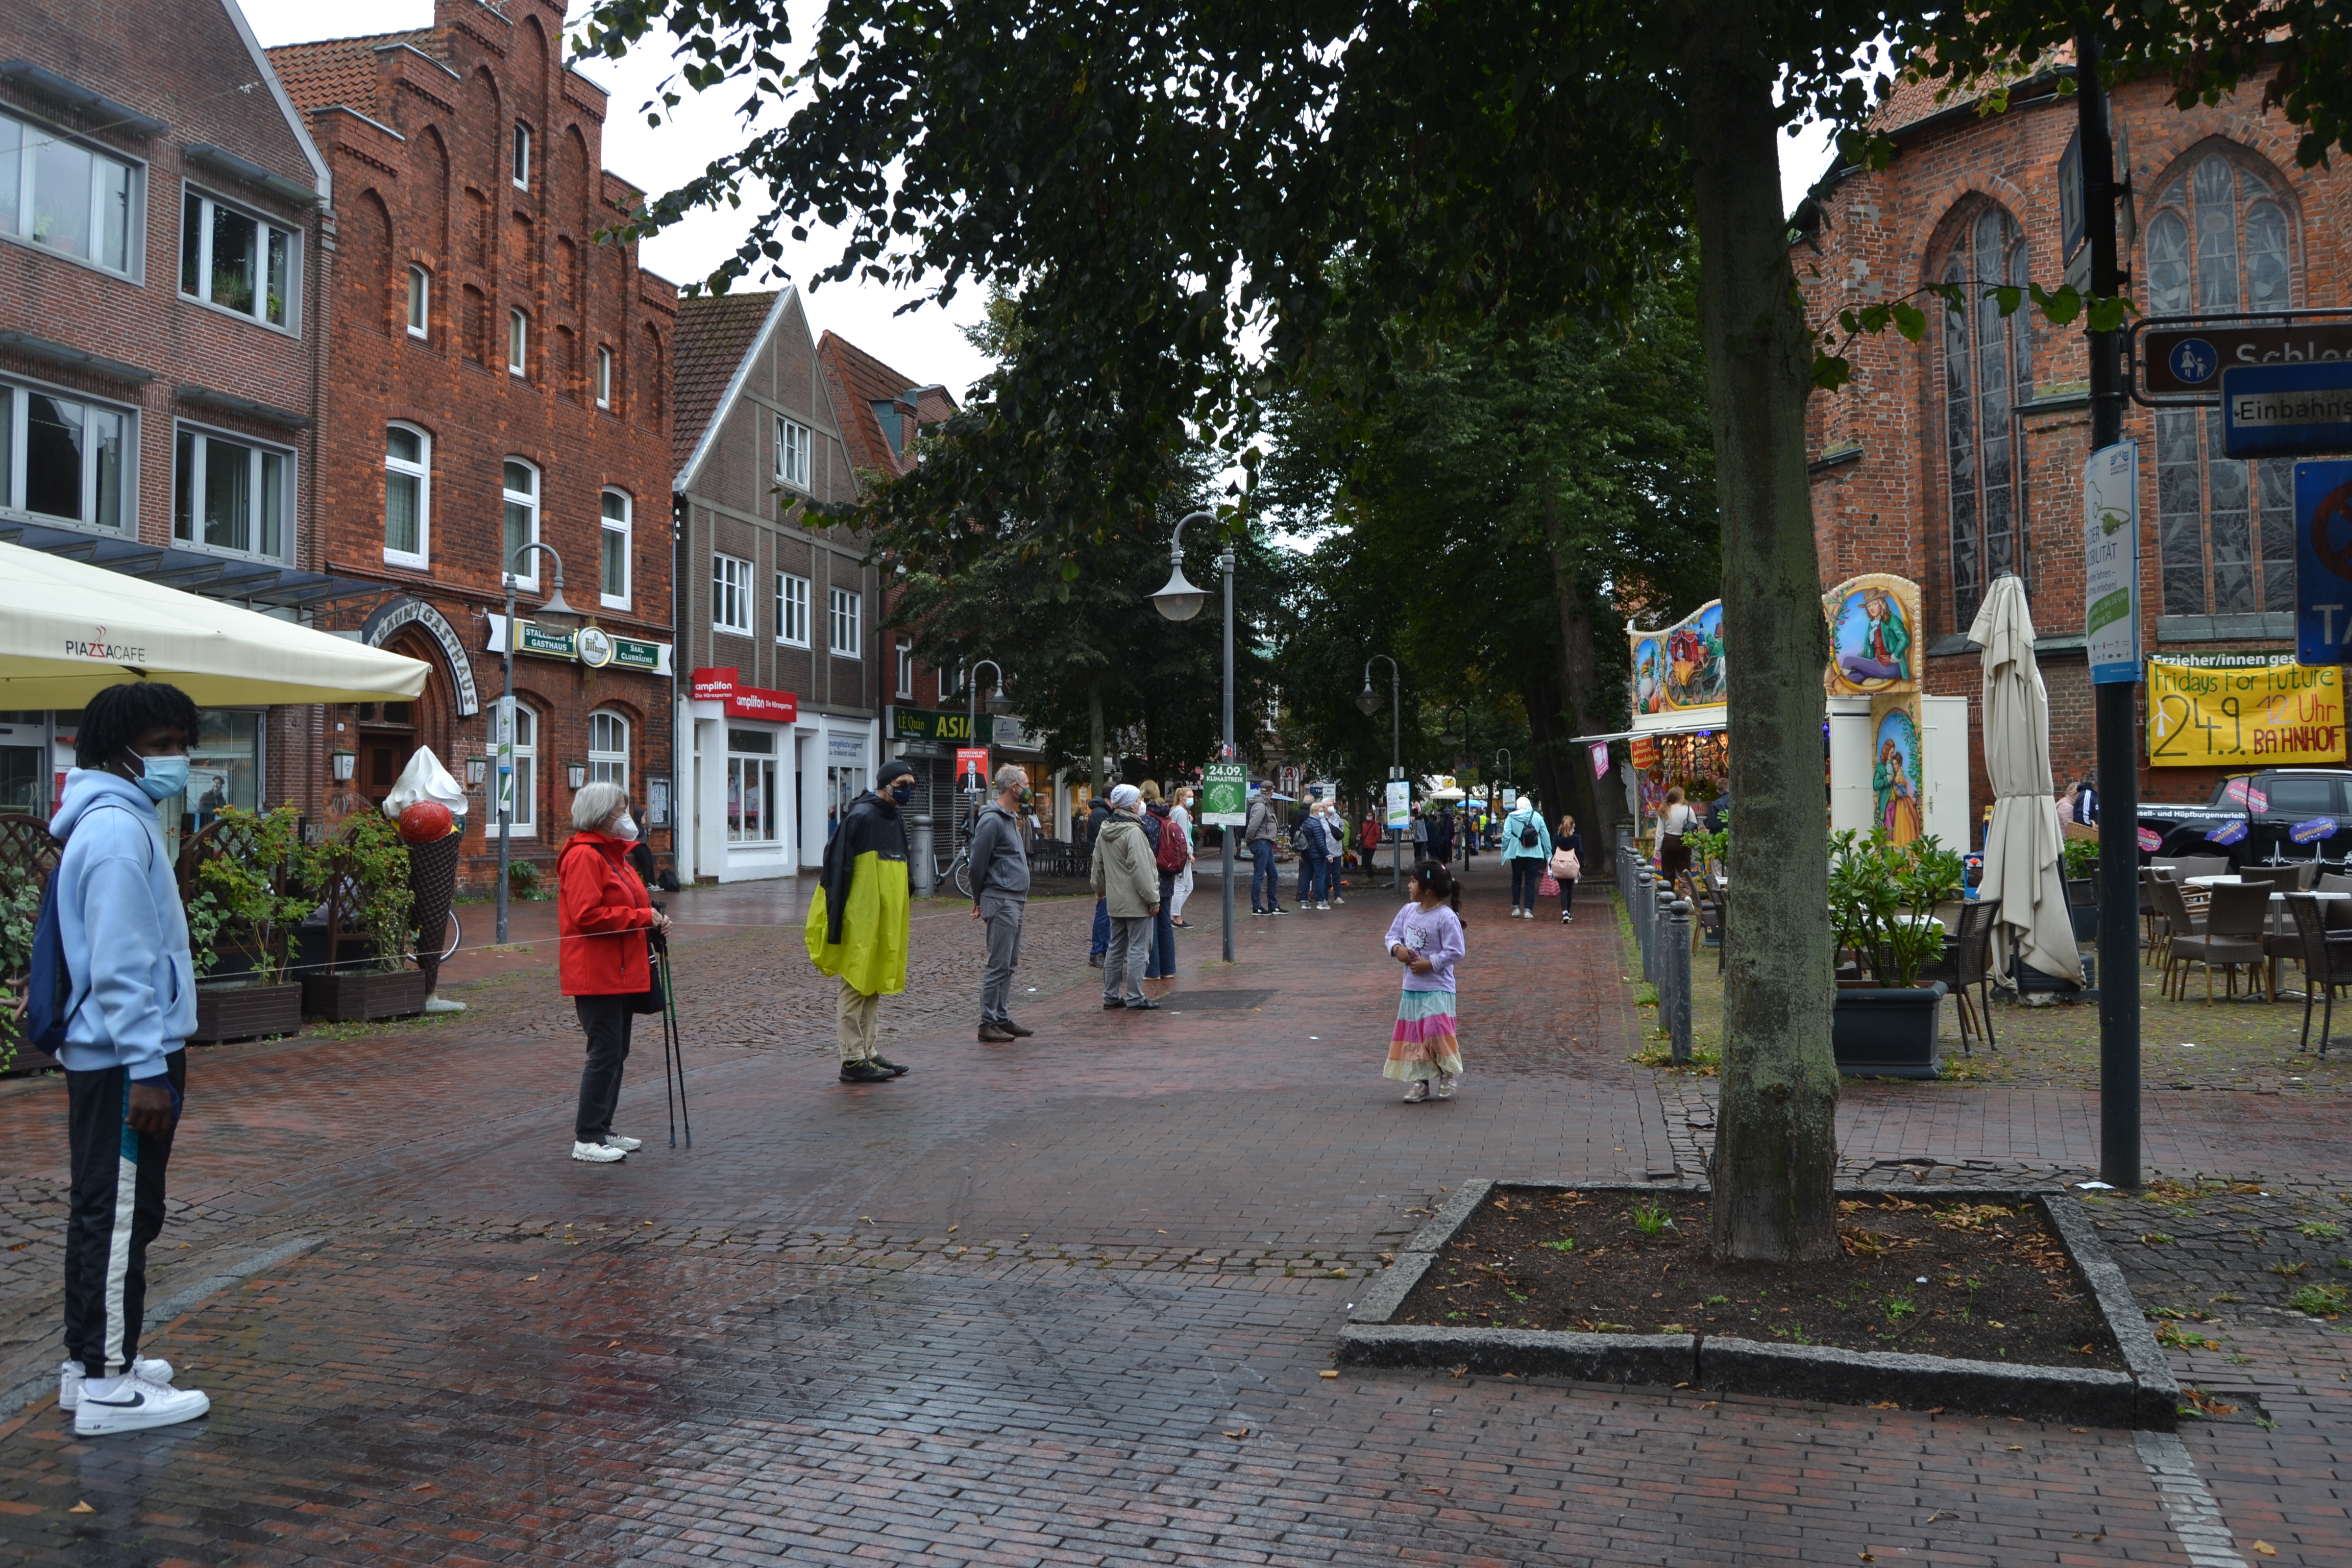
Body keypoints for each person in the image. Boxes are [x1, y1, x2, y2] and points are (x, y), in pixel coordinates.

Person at [48, 681, 211, 1436]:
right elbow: (119, 964)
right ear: (119, 751)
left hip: (112, 1055)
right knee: (119, 1216)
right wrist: (148, 1065)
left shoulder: (118, 819)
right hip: (125, 1060)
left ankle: (93, 1363)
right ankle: (110, 1387)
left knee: (109, 1211)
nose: (178, 760)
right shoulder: (117, 831)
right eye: (163, 746)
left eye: (183, 744)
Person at [557, 781, 671, 1162]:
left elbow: (631, 906)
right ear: (602, 816)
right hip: (597, 971)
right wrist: (641, 916)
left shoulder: (614, 855)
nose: (628, 816)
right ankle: (587, 1137)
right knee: (604, 1051)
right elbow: (587, 916)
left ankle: (602, 1129)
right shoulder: (585, 857)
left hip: (621, 968)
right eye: (621, 809)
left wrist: (653, 921)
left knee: (616, 1051)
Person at [808, 758, 917, 1083]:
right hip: (862, 915)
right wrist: (837, 919)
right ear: (886, 785)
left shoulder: (893, 817)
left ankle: (868, 1051)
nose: (907, 791)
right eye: (902, 786)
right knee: (856, 982)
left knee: (873, 982)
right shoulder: (861, 816)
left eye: (911, 786)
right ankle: (852, 1059)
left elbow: (902, 865)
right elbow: (837, 868)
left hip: (883, 915)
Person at [1384, 861, 1466, 1103]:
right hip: (1412, 988)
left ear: (1428, 888)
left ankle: (1449, 1072)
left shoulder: (1446, 917)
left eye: (1413, 881)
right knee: (1415, 1037)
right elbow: (1392, 935)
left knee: (1435, 1031)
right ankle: (1420, 1082)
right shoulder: (1408, 911)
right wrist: (1397, 949)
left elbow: (1456, 951)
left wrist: (1430, 963)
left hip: (1438, 987)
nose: (1409, 886)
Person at [970, 763, 1035, 1043]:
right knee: (998, 963)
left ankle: (1001, 1016)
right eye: (1026, 783)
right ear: (1014, 787)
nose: (1029, 788)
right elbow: (977, 864)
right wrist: (978, 897)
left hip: (1014, 899)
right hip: (1001, 899)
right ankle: (987, 1022)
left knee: (1010, 963)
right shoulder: (993, 820)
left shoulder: (1009, 817)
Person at [1091, 784, 1161, 1010]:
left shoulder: (1105, 831)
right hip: (1137, 901)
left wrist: (1100, 890)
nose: (1142, 804)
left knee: (1115, 948)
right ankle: (1135, 996)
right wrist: (1153, 898)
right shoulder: (1134, 832)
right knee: (1139, 949)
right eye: (1140, 800)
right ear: (1132, 805)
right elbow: (1141, 869)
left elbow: (1097, 866)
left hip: (1115, 899)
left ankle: (1111, 995)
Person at [1140, 781, 1178, 979]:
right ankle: (1169, 968)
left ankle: (1152, 970)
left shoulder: (1145, 820)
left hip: (1151, 874)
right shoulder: (1166, 815)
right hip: (1167, 874)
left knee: (1150, 923)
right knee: (1165, 922)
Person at [1500, 792, 1552, 918]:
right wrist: (1549, 853)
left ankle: (1516, 908)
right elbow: (1545, 835)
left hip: (1517, 854)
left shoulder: (1511, 817)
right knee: (1530, 882)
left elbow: (1506, 836)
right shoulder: (1538, 817)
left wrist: (1504, 850)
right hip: (1534, 854)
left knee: (1516, 880)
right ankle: (1528, 910)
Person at [1085, 787, 1115, 963]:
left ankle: (1103, 949)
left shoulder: (1102, 813)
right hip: (1104, 867)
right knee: (1104, 911)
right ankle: (1097, 952)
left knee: (1107, 911)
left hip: (1105, 865)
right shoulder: (1100, 814)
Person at [1244, 782, 1284, 915]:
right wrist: (1249, 841)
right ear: (1271, 791)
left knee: (1273, 874)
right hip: (1261, 842)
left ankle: (1273, 906)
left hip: (1266, 842)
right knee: (1259, 875)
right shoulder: (1261, 806)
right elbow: (1253, 825)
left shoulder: (1266, 804)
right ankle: (1257, 907)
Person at [1168, 785, 1198, 927]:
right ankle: (1175, 917)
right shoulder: (1180, 812)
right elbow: (1182, 835)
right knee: (1181, 885)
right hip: (1183, 852)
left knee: (1188, 886)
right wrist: (1189, 853)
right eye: (1189, 797)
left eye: (1192, 796)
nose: (1191, 799)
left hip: (1183, 850)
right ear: (1181, 798)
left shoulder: (1179, 812)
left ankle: (1174, 913)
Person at [1296, 796, 1334, 910]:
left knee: (1306, 878)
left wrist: (1303, 854)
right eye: (1321, 812)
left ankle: (1304, 902)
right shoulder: (1317, 824)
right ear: (1314, 812)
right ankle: (1321, 902)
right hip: (1317, 855)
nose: (1323, 813)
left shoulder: (1307, 823)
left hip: (1307, 854)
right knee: (1320, 878)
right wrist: (1328, 855)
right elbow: (1320, 842)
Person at [1655, 785, 1697, 881]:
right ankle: (1686, 895)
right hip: (1683, 844)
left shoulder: (1664, 810)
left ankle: (1668, 894)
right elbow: (1694, 826)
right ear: (1681, 797)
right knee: (1685, 874)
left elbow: (1660, 833)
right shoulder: (1688, 809)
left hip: (1668, 843)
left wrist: (1657, 849)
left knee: (1668, 873)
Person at [1551, 813, 1585, 923]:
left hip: (1560, 866)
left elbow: (1553, 851)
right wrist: (1581, 864)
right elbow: (1580, 852)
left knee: (1563, 890)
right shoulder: (1577, 838)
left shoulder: (1557, 838)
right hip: (1571, 867)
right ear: (1573, 825)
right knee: (1569, 890)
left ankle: (1565, 912)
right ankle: (1568, 913)